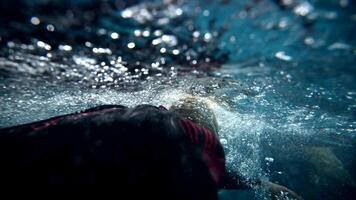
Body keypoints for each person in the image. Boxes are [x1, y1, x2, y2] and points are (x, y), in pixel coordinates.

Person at [0, 96, 302, 199]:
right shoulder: (190, 137)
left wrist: (263, 184)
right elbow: (196, 164)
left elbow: (218, 173)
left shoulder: (127, 113)